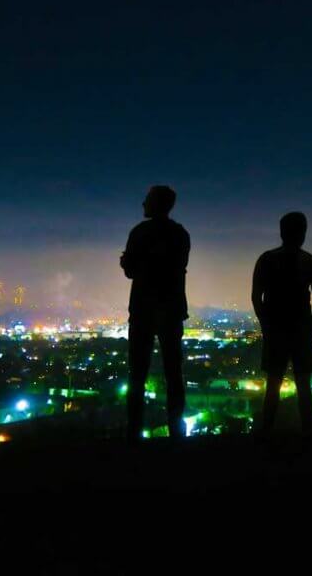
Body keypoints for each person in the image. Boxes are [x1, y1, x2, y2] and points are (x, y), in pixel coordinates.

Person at [120, 185, 190, 443]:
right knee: (174, 371)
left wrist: (130, 262)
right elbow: (177, 266)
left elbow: (130, 270)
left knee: (137, 372)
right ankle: (176, 429)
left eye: (147, 200)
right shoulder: (180, 234)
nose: (142, 204)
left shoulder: (139, 233)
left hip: (143, 308)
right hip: (171, 308)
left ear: (155, 203)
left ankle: (134, 430)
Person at [252, 212, 312, 434]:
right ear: (303, 233)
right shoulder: (310, 261)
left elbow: (256, 296)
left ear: (281, 232)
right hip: (302, 327)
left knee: (273, 383)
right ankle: (307, 432)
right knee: (303, 383)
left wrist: (265, 324)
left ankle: (266, 432)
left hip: (276, 327)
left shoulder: (266, 259)